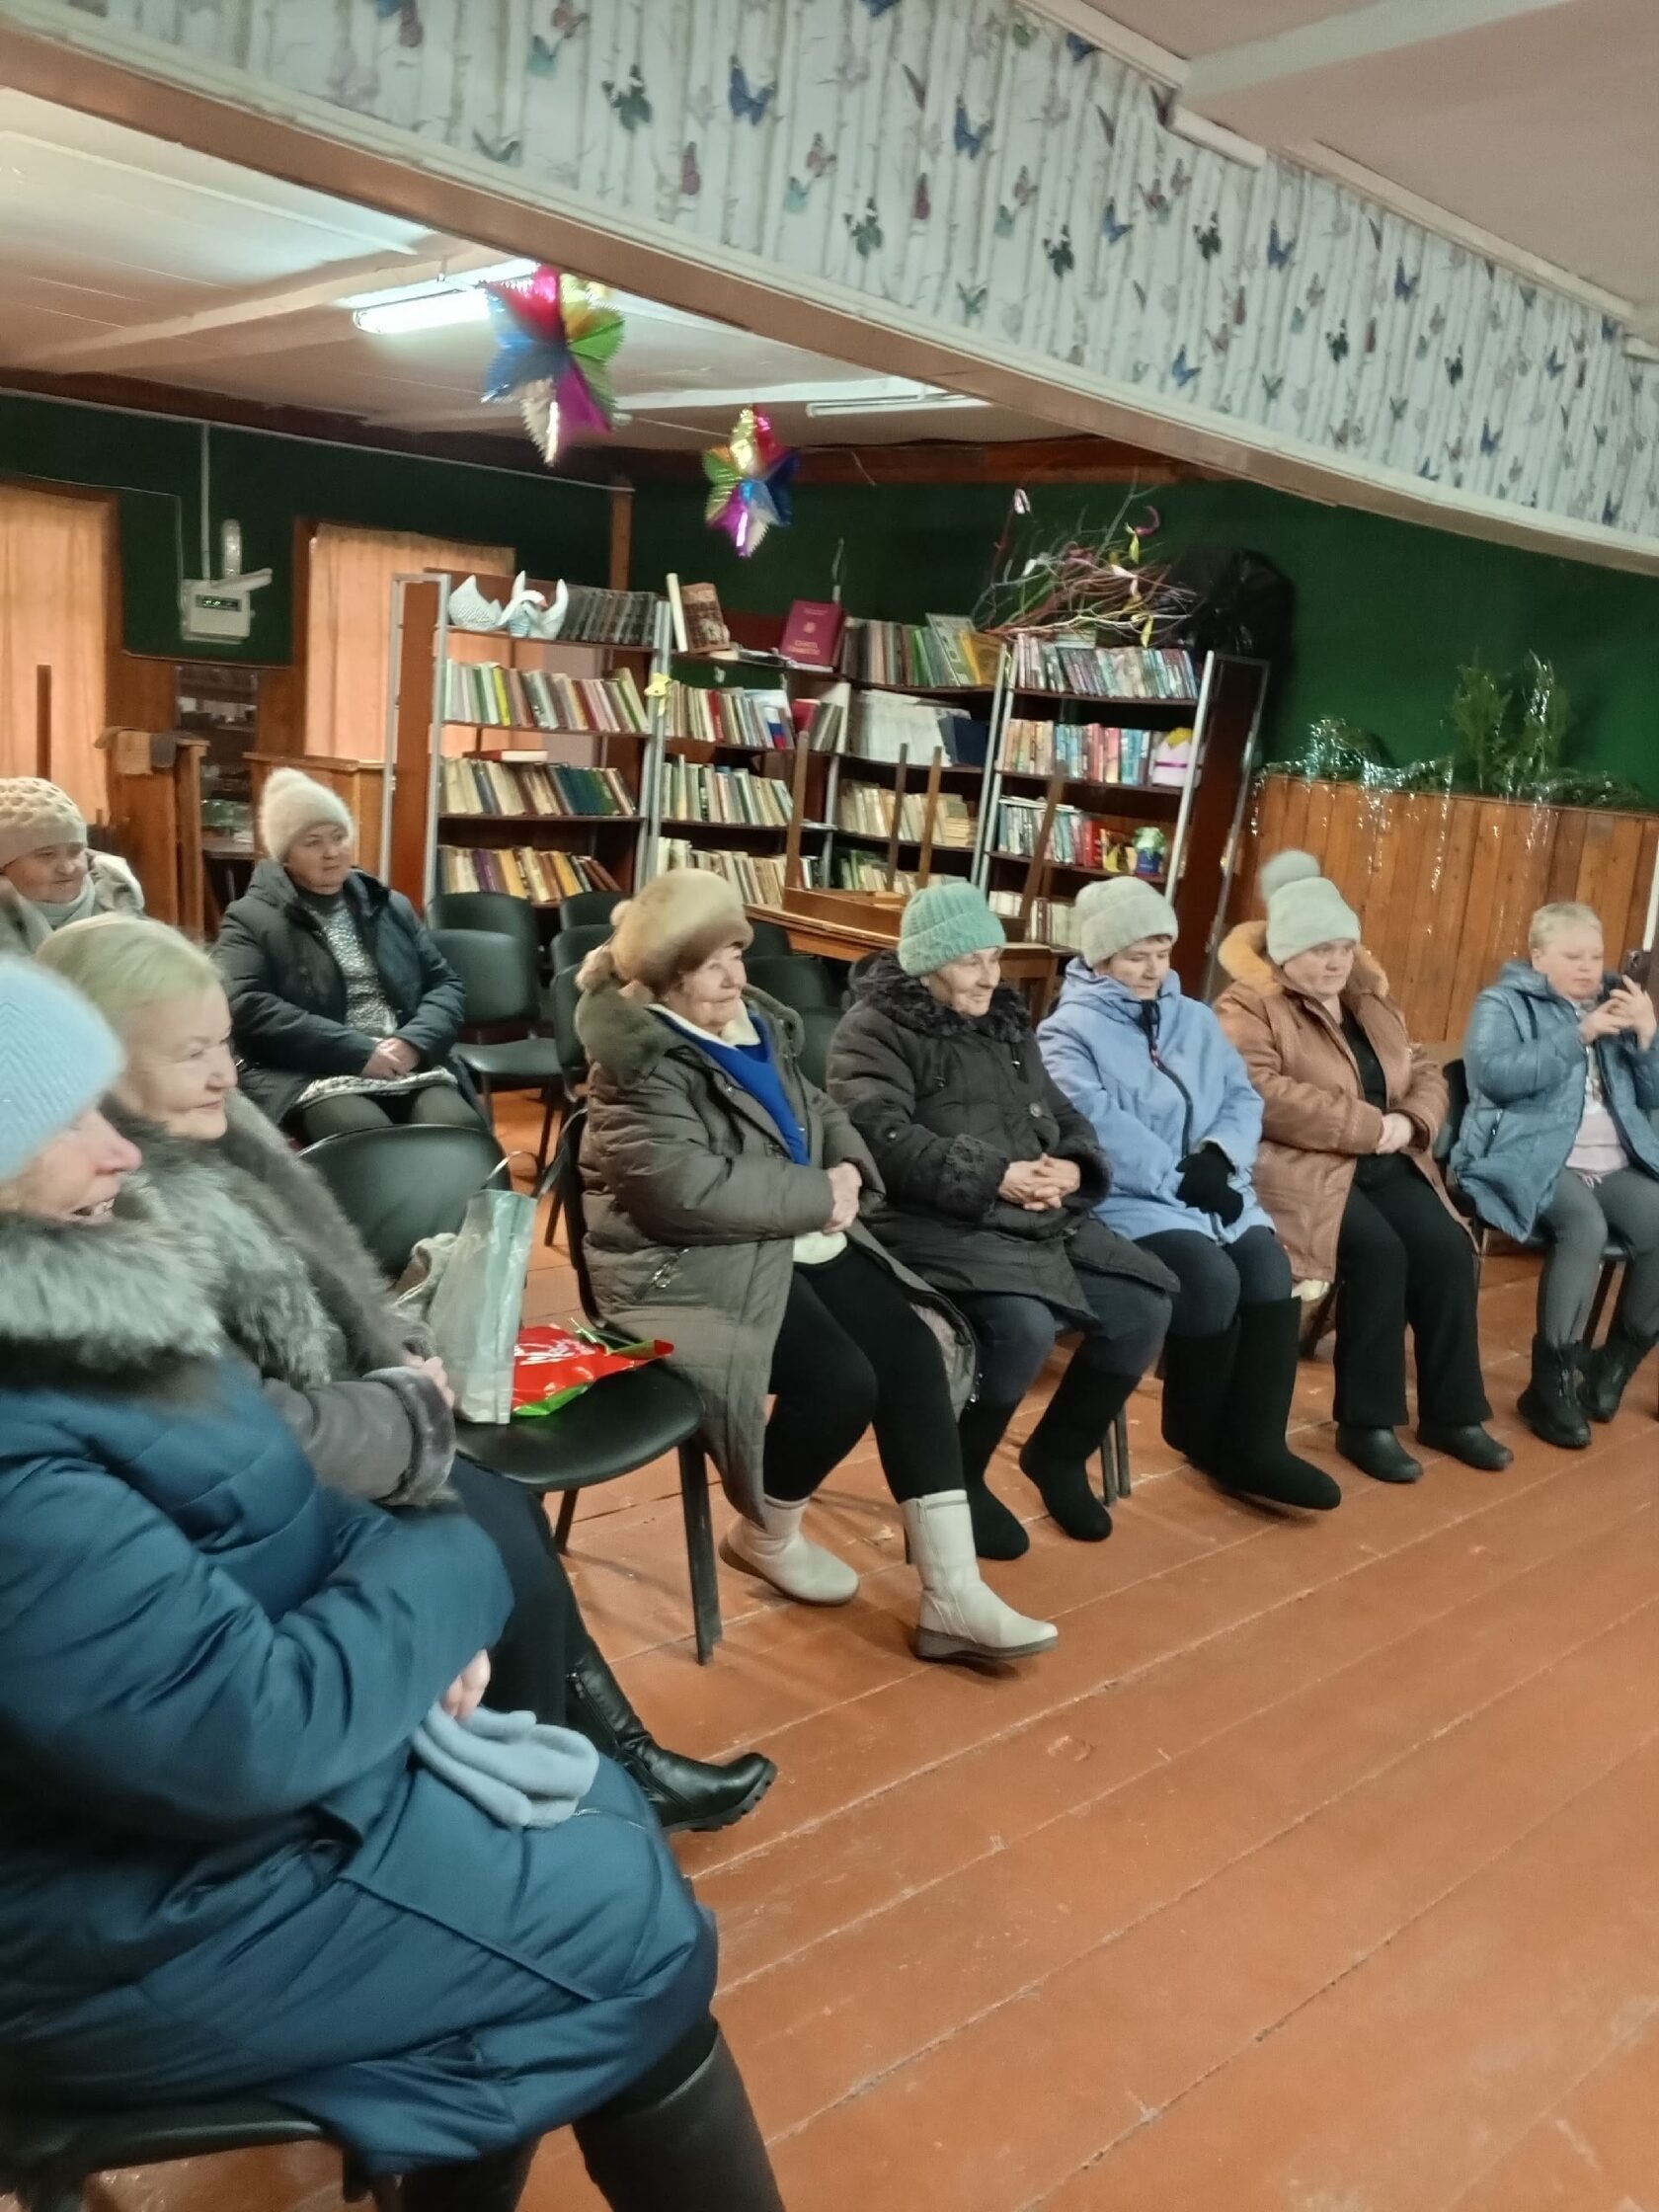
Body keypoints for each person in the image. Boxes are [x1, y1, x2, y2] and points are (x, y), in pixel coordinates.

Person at [0, 957, 784, 2212]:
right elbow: (242, 1730)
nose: (121, 1151)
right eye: (71, 1120)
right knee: (633, 1931)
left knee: (598, 1829)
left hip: (184, 1828)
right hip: (110, 1919)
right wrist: (438, 1573)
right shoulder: (33, 1410)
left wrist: (396, 1612)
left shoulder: (80, 1302)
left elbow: (261, 1500)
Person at [37, 912, 774, 1838]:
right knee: (493, 1524)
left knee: (503, 1512)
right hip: (260, 1502)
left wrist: (400, 1340)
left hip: (342, 1429)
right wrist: (405, 1411)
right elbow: (243, 1436)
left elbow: (329, 1294)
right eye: (193, 1054)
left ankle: (605, 1761)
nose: (227, 1073)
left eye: (226, 1044)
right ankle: (572, 1792)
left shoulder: (220, 1138)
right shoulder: (115, 1209)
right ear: (96, 1065)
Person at [576, 869, 1057, 1664]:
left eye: (737, 954)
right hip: (682, 1266)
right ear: (663, 981)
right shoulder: (637, 1063)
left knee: (910, 1350)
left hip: (784, 1236)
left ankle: (953, 1594)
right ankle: (769, 1533)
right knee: (840, 1381)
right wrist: (816, 1194)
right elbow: (680, 1191)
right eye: (709, 966)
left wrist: (849, 1172)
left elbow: (820, 1110)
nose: (733, 977)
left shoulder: (753, 1023)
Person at [827, 881, 1174, 1561]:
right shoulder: (873, 1029)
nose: (990, 977)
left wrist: (1070, 1167)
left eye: (995, 959)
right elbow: (878, 1138)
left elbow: (1062, 1113)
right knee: (1022, 1328)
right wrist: (996, 1176)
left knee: (1142, 1307)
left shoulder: (1006, 1024)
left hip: (1032, 1213)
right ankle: (958, 1473)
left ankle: (1058, 1454)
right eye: (971, 962)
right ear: (929, 964)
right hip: (927, 1219)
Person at [1038, 878, 1341, 1513]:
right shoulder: (1067, 1033)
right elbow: (1097, 1126)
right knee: (1208, 1278)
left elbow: (1242, 1097)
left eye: (1161, 952)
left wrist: (1219, 1157)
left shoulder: (1196, 1018)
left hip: (1216, 1184)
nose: (1153, 970)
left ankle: (1257, 1442)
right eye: (1135, 957)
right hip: (1130, 1197)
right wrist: (1181, 1180)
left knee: (1268, 1269)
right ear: (1100, 958)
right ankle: (1198, 1431)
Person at [1214, 850, 1510, 1485]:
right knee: (1380, 1255)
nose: (1336, 962)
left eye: (1345, 947)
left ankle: (1452, 1413)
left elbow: (1423, 1069)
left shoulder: (1369, 999)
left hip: (1385, 1158)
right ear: (1287, 953)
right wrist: (1369, 1127)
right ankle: (1366, 1423)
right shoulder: (1250, 1006)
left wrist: (1411, 1123)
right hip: (1301, 1168)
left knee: (1448, 1249)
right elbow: (1261, 1092)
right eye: (1321, 949)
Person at [1454, 902, 1659, 1445]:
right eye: (1573, 956)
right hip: (1531, 1155)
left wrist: (1646, 1036)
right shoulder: (1503, 1003)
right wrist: (1578, 1035)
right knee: (1584, 1227)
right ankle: (1549, 1386)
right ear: (1538, 957)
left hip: (1612, 1159)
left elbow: (1652, 1097)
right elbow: (1494, 1077)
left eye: (1595, 955)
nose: (1589, 967)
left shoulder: (1616, 1001)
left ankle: (1610, 1370)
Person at [215, 766, 484, 1142]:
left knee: (457, 1129)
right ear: (285, 856)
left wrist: (415, 1042)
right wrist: (356, 1051)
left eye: (339, 837)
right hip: (311, 1070)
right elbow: (246, 1004)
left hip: (405, 1061)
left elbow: (444, 983)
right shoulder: (250, 917)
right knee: (362, 1138)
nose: (331, 853)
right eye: (312, 842)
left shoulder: (389, 906)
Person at [0, 774, 142, 955]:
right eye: (47, 855)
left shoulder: (121, 908)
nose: (67, 868)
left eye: (75, 851)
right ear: (5, 865)